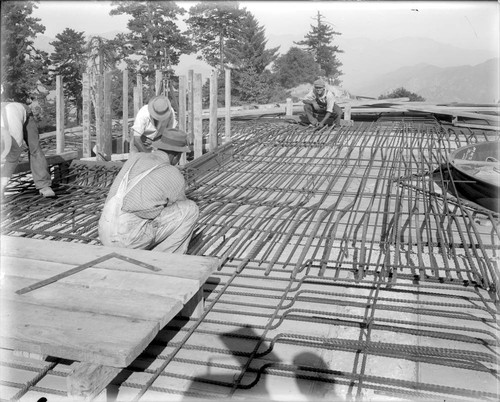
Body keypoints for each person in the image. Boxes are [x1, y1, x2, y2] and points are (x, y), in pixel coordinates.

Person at [98, 129, 199, 254]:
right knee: (190, 209)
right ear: (176, 155)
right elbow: (178, 205)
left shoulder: (136, 157)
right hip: (129, 239)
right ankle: (165, 258)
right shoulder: (173, 173)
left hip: (105, 230)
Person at [1, 101, 55, 197]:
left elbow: (13, 159)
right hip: (7, 112)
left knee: (34, 148)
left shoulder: (14, 134)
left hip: (23, 112)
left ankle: (44, 185)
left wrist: (2, 184)